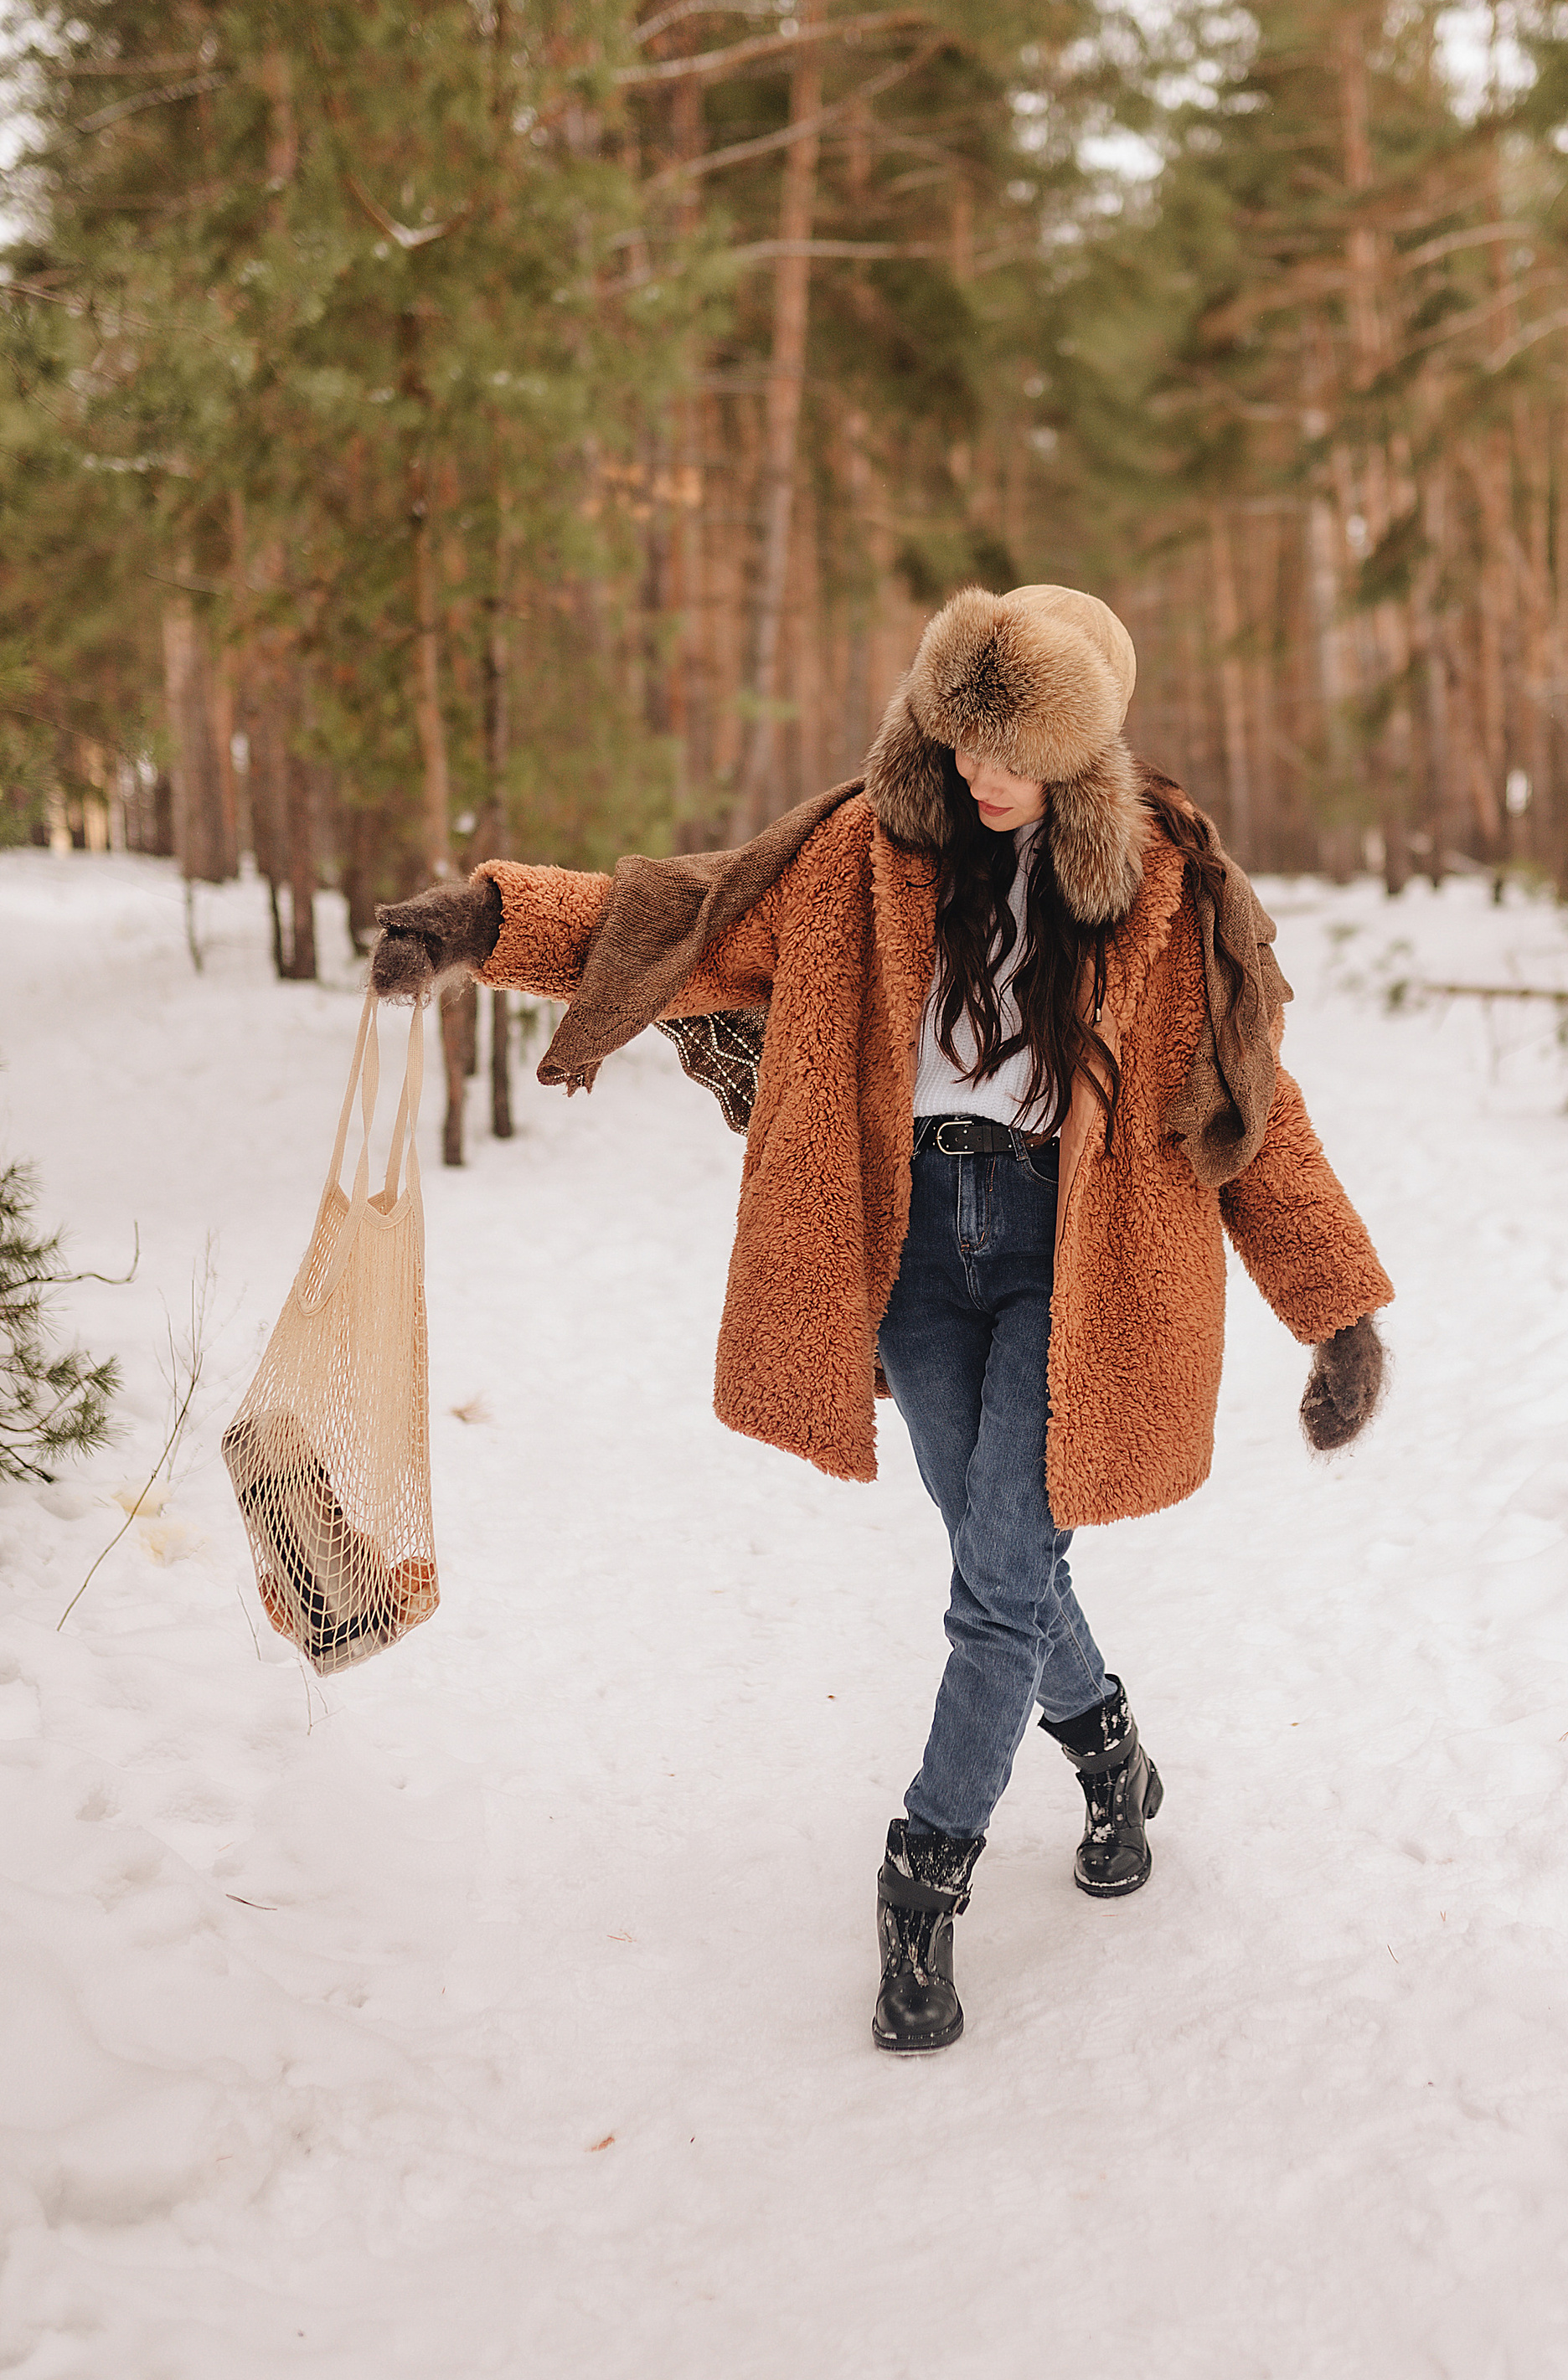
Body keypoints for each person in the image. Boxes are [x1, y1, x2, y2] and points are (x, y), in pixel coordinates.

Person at [372, 581, 1391, 2053]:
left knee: (994, 1573)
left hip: (1076, 1249)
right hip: (912, 1247)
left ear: (1076, 748)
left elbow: (1252, 1103)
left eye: (1009, 746)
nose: (977, 768)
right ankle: (1111, 1753)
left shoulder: (1164, 890)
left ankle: (922, 1889)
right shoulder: (866, 853)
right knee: (1003, 1543)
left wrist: (1336, 1303)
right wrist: (482, 919)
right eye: (960, 733)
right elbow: (677, 921)